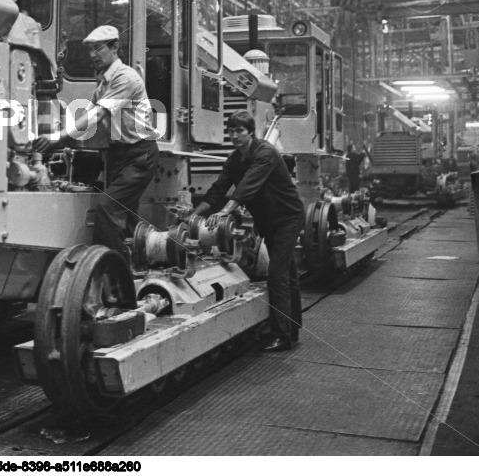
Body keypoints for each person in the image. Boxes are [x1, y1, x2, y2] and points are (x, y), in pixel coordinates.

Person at [33, 25, 161, 259]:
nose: (92, 54)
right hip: (117, 154)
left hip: (139, 154)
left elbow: (97, 115)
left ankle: (110, 268)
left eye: (98, 48)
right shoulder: (103, 82)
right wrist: (62, 137)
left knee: (107, 208)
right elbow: (90, 118)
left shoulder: (125, 77)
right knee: (127, 214)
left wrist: (57, 137)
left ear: (114, 48)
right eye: (90, 49)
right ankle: (136, 266)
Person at [188, 110, 305, 352]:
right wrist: (193, 216)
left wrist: (226, 211)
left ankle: (282, 336)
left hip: (288, 219)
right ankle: (292, 329)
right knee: (288, 275)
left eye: (240, 131)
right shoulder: (234, 160)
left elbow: (247, 186)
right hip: (270, 222)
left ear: (250, 131)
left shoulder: (266, 154)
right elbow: (217, 190)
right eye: (230, 131)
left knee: (277, 275)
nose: (235, 136)